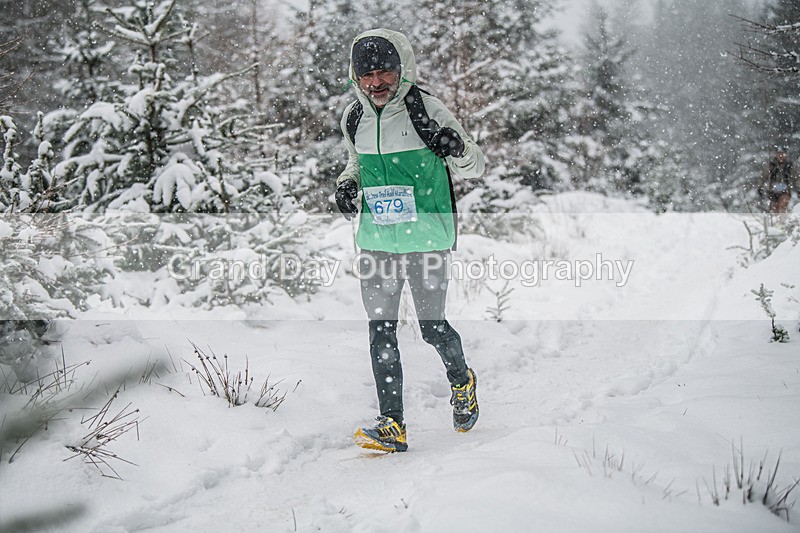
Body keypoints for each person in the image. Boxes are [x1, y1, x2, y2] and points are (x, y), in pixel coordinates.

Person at [334, 29, 485, 452]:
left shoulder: (426, 109)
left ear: (402, 70)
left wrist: (454, 148)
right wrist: (347, 184)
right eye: (367, 75)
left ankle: (462, 380)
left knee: (432, 328)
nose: (376, 82)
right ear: (355, 76)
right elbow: (354, 163)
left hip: (426, 238)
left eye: (385, 71)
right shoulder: (354, 118)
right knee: (380, 329)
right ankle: (392, 424)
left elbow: (474, 163)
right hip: (377, 239)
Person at [758, 147, 799, 214]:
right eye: (779, 154)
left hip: (785, 190)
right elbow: (763, 177)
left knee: (783, 205)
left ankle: (782, 220)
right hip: (773, 191)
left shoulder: (790, 165)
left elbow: (796, 178)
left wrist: (798, 189)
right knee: (774, 208)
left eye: (782, 154)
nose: (780, 156)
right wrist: (760, 187)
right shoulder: (771, 165)